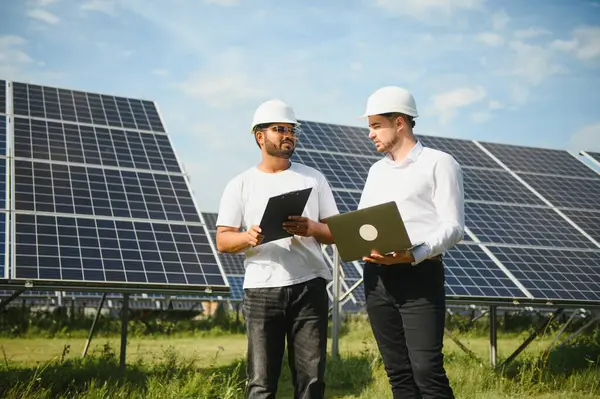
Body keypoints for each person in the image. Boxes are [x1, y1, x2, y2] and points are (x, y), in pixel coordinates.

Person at [215, 99, 339, 399]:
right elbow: (223, 240)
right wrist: (248, 238)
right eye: (280, 129)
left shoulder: (313, 177)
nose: (288, 135)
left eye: (292, 130)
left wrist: (312, 228)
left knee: (311, 382)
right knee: (260, 383)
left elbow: (335, 231)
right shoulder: (240, 184)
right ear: (260, 136)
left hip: (309, 288)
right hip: (261, 292)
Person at [357, 86, 464, 399]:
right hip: (377, 278)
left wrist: (413, 253)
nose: (370, 134)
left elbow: (454, 227)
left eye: (376, 126)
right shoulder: (376, 171)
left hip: (419, 275)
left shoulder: (439, 163)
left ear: (400, 122)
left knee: (426, 370)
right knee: (398, 373)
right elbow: (364, 223)